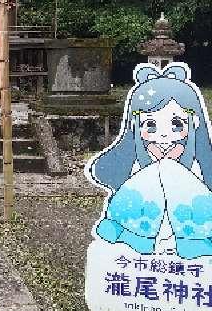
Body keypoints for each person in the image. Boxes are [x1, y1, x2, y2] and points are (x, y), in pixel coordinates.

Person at [85, 63, 212, 258]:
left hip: (186, 218)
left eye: (176, 124)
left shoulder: (195, 164)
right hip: (144, 219)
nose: (163, 135)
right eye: (150, 125)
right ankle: (133, 238)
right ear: (135, 126)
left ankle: (192, 243)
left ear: (193, 122)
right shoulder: (138, 164)